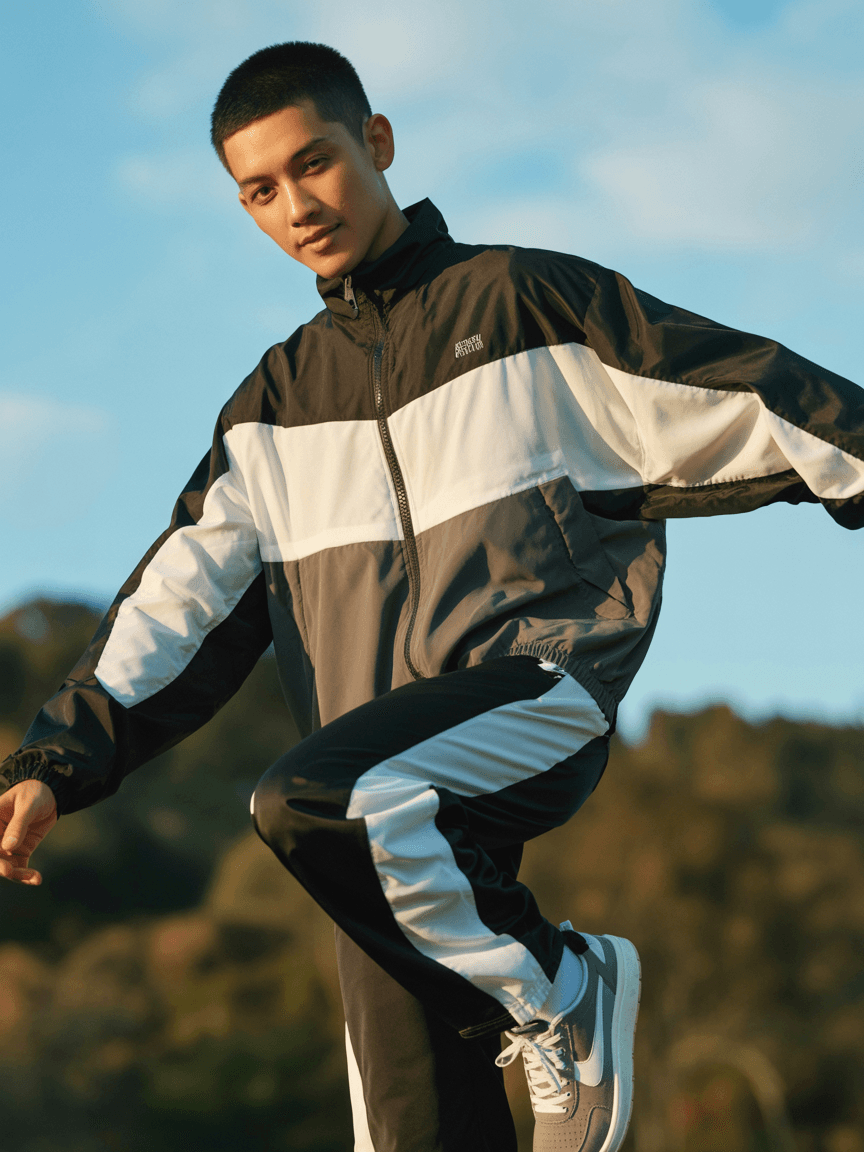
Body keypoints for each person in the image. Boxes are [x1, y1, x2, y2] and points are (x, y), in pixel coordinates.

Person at [1, 40, 861, 1152]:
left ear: (379, 143)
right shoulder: (271, 410)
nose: (296, 206)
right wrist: (53, 767)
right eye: (259, 190)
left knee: (309, 799)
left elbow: (756, 396)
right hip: (374, 811)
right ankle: (521, 991)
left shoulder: (527, 305)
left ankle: (560, 985)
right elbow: (172, 610)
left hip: (530, 692)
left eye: (315, 163)